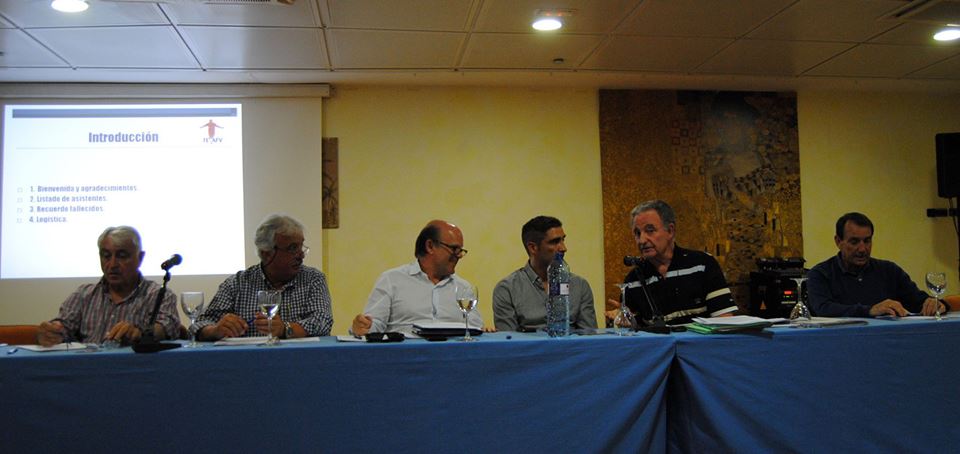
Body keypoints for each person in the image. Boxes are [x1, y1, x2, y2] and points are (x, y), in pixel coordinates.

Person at [193, 214, 333, 340]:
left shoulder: (313, 279)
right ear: (266, 253)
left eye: (301, 247)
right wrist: (215, 330)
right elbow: (198, 324)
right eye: (292, 248)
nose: (301, 255)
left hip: (299, 358)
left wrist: (286, 329)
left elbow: (323, 322)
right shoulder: (237, 284)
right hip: (248, 359)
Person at [36, 226, 180, 346]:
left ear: (140, 258)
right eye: (106, 256)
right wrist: (52, 332)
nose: (112, 264)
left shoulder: (157, 295)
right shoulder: (84, 295)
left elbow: (167, 327)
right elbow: (63, 327)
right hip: (88, 368)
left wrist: (140, 333)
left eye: (122, 256)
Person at [613, 200, 737, 325]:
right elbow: (635, 329)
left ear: (670, 231)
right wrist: (626, 320)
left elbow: (724, 320)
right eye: (637, 233)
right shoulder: (633, 280)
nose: (642, 240)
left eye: (650, 230)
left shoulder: (702, 265)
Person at [351, 220, 482, 336]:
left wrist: (485, 331)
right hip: (404, 354)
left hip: (452, 354)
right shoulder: (391, 280)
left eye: (460, 250)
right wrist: (363, 327)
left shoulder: (463, 288)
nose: (459, 256)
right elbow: (373, 326)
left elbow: (475, 329)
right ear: (430, 246)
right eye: (454, 249)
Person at [806, 212, 946, 317]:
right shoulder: (820, 273)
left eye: (867, 241)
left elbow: (918, 301)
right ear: (838, 241)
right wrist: (870, 310)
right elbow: (823, 308)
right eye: (854, 242)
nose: (862, 249)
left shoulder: (890, 271)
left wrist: (936, 304)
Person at [493, 215, 597, 332]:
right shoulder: (507, 289)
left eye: (563, 240)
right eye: (554, 242)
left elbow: (590, 336)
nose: (563, 248)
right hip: (528, 344)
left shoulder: (580, 286)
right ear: (533, 248)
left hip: (571, 343)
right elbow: (508, 339)